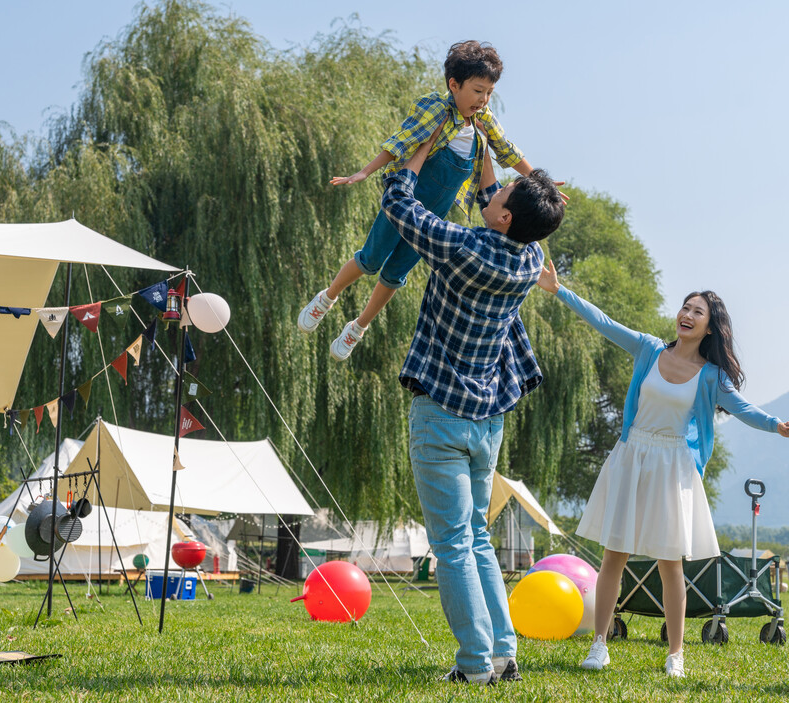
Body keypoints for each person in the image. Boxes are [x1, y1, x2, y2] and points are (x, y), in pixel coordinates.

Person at [536, 261, 789, 677]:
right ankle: (599, 645)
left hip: (673, 464)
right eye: (685, 308)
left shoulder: (711, 376)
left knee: (671, 563)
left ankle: (676, 654)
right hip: (632, 454)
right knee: (614, 554)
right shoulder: (650, 349)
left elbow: (743, 409)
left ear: (710, 328)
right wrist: (559, 290)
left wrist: (776, 425)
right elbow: (604, 322)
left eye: (697, 312)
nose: (686, 315)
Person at [382, 122, 565, 684]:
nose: (495, 192)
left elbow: (399, 203)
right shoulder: (530, 262)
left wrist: (416, 150)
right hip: (489, 421)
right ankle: (504, 653)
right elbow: (495, 203)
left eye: (505, 194)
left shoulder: (461, 248)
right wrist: (483, 146)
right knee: (477, 537)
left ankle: (473, 666)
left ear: (508, 217)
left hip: (440, 416)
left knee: (452, 544)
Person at [298, 40, 538, 361]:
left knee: (395, 274)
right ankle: (327, 297)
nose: (483, 100)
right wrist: (365, 171)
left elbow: (507, 150)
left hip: (431, 217)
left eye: (489, 93)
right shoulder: (436, 108)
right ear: (454, 85)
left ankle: (358, 327)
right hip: (403, 200)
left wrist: (538, 179)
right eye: (478, 91)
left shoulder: (483, 122)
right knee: (370, 259)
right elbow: (402, 140)